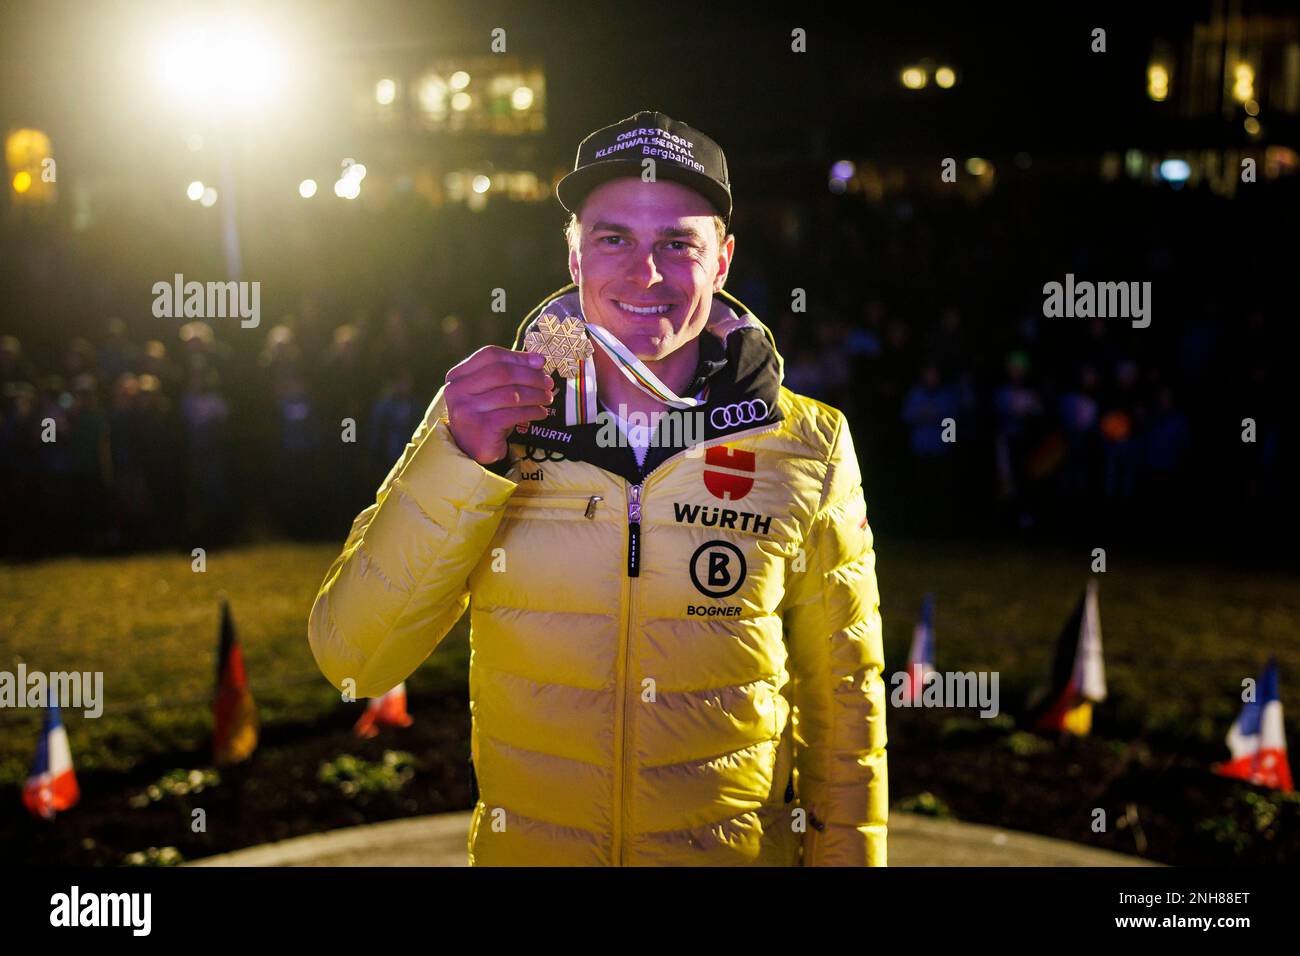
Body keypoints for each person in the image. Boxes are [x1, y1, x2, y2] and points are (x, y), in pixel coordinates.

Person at [308, 110, 887, 866]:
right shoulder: (487, 421)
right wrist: (463, 460)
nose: (644, 274)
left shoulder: (807, 443)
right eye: (614, 238)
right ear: (574, 255)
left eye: (676, 243)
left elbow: (845, 706)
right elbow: (354, 659)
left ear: (723, 262)